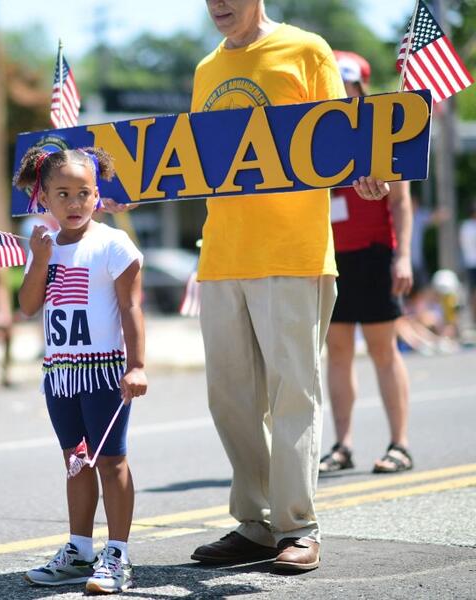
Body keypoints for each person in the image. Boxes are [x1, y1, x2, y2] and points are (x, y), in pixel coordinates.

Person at [182, 0, 387, 573]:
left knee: (293, 390)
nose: (217, 4)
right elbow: (195, 160)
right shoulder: (205, 71)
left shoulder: (307, 50)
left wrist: (366, 167)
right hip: (222, 253)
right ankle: (255, 523)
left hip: (293, 251)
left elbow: (342, 139)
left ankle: (298, 526)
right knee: (230, 397)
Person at [15, 146, 147, 594]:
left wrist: (138, 366)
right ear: (44, 198)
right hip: (60, 375)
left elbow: (131, 308)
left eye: (84, 193)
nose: (74, 203)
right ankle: (78, 549)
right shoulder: (46, 246)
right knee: (76, 462)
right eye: (63, 194)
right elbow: (29, 305)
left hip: (103, 373)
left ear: (97, 196)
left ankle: (118, 555)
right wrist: (40, 258)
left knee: (111, 461)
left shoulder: (112, 244)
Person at [319, 51, 415, 477]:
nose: (341, 94)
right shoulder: (316, 137)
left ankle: (400, 444)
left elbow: (402, 202)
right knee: (337, 353)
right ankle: (343, 445)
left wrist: (404, 256)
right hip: (332, 258)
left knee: (383, 349)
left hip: (376, 254)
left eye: (347, 86)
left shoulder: (384, 134)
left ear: (362, 86)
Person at [459, 201, 476, 325]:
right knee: (473, 294)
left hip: (470, 263)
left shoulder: (465, 226)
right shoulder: (469, 227)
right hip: (472, 263)